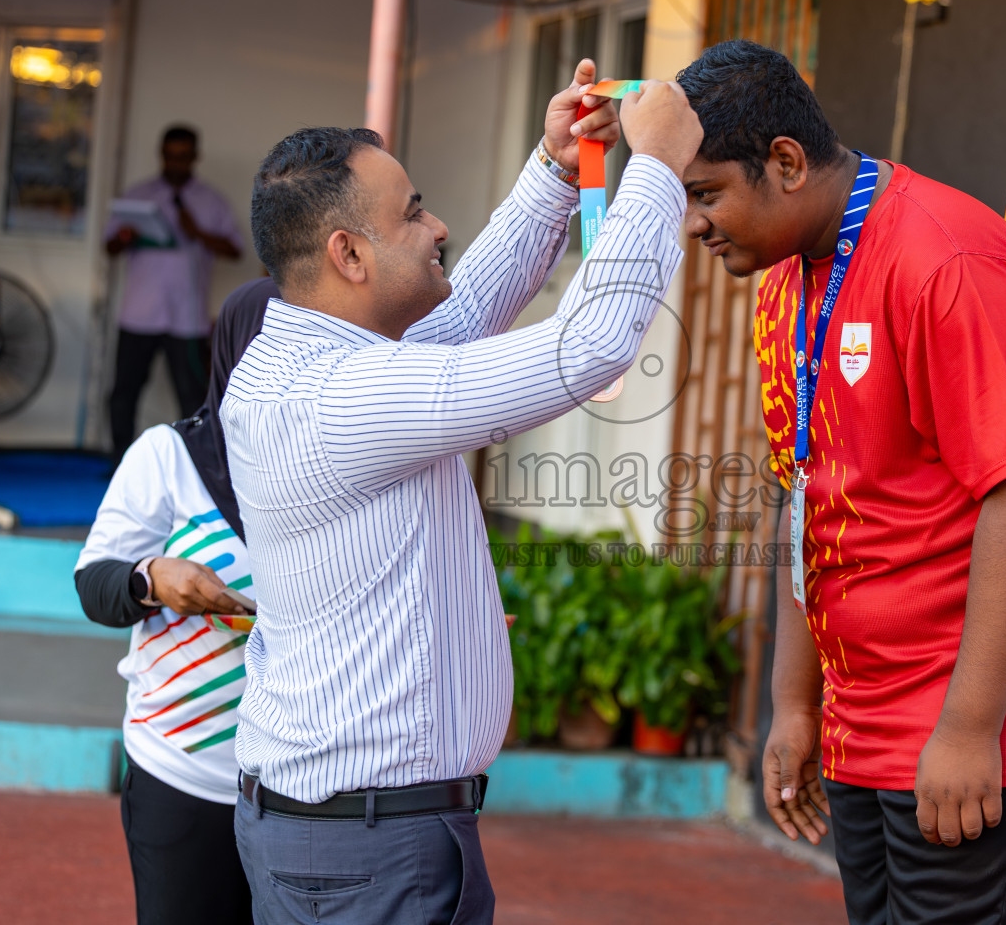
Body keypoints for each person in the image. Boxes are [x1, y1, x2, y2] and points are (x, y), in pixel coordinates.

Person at [222, 62, 701, 925]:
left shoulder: (324, 361)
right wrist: (658, 170)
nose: (437, 225)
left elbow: (467, 306)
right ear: (349, 254)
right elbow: (587, 347)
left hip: (355, 838)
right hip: (371, 852)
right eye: (412, 213)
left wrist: (557, 171)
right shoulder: (342, 397)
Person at [676, 40, 1006, 924]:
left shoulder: (947, 257)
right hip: (868, 720)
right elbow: (802, 499)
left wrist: (967, 727)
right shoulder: (784, 284)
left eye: (705, 195)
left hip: (986, 720)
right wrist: (794, 703)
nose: (693, 226)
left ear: (785, 163)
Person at [74, 277, 279, 925]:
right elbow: (94, 584)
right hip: (184, 773)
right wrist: (150, 577)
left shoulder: (338, 472)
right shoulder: (169, 457)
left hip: (299, 787)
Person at [105, 124, 242, 463]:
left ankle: (197, 465)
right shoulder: (137, 195)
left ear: (195, 157)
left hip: (187, 316)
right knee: (125, 391)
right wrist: (123, 238)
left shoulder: (211, 201)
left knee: (192, 395)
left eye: (183, 157)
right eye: (170, 156)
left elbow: (235, 250)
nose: (176, 163)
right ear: (161, 154)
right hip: (140, 312)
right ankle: (120, 461)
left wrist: (198, 232)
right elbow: (108, 247)